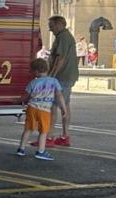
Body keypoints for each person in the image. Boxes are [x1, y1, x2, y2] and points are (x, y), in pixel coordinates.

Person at [18, 58, 67, 161]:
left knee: (28, 129)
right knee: (43, 131)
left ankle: (21, 149)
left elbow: (26, 96)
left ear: (36, 71)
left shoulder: (33, 83)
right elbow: (59, 95)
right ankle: (41, 151)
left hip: (32, 108)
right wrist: (63, 108)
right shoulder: (54, 82)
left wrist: (17, 101)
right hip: (45, 110)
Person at [46, 15, 77, 147]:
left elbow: (60, 58)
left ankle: (48, 137)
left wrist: (51, 76)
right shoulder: (66, 36)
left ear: (59, 25)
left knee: (53, 106)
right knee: (65, 106)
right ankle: (64, 135)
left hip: (61, 77)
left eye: (52, 26)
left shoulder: (63, 37)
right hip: (67, 76)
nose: (50, 30)